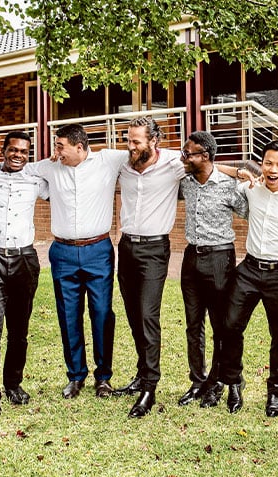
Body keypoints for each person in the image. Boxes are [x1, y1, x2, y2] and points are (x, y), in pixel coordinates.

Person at [0, 124, 125, 402]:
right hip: (63, 252)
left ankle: (103, 377)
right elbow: (8, 166)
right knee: (68, 316)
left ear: (79, 147)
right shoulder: (47, 167)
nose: (55, 152)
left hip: (98, 249)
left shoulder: (108, 160)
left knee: (102, 313)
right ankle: (75, 376)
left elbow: (143, 155)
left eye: (60, 146)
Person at [220, 140, 278, 417]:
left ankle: (275, 393)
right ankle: (234, 383)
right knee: (230, 326)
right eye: (268, 163)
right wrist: (240, 173)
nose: (273, 169)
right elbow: (213, 170)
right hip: (247, 270)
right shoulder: (253, 189)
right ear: (261, 164)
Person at [112, 117, 187, 419]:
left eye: (136, 141)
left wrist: (248, 175)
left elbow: (206, 166)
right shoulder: (122, 164)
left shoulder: (173, 163)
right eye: (128, 140)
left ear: (154, 140)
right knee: (133, 315)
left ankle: (150, 388)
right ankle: (141, 375)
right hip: (127, 247)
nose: (130, 146)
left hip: (155, 249)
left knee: (147, 315)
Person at [0, 132, 49, 427]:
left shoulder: (35, 180)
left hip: (24, 260)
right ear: (2, 151)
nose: (18, 155)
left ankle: (13, 384)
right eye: (12, 150)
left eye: (23, 151)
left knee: (19, 331)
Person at [177, 131, 248, 408]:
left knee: (222, 325)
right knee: (193, 324)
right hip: (191, 257)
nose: (183, 157)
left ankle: (220, 381)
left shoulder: (230, 186)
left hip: (219, 258)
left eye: (188, 153)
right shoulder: (186, 183)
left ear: (204, 156)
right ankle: (198, 381)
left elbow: (253, 213)